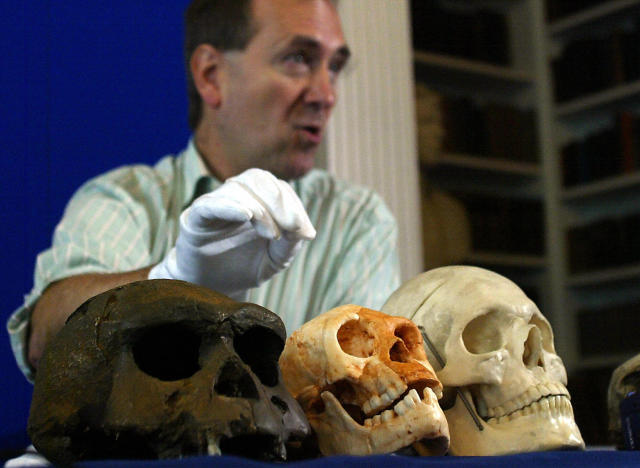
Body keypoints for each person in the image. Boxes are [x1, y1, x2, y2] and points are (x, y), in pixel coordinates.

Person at [7, 0, 400, 382]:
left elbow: (362, 385)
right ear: (211, 75)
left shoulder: (356, 220)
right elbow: (44, 343)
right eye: (298, 58)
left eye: (334, 67)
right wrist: (171, 280)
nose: (326, 95)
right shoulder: (125, 200)